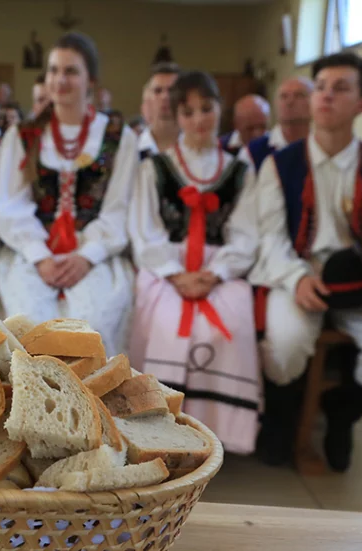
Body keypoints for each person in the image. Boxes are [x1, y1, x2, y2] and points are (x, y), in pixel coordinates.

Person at [251, 53, 362, 472]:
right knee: (285, 342)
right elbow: (270, 236)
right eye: (323, 87)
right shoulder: (281, 164)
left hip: (359, 286)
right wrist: (296, 278)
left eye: (342, 87)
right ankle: (283, 420)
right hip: (297, 276)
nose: (327, 95)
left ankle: (341, 413)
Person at [128, 71, 260, 454]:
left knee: (230, 323)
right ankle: (158, 426)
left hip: (219, 270)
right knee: (166, 323)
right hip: (167, 269)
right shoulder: (155, 168)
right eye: (188, 112)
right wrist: (175, 274)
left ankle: (218, 432)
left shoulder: (239, 171)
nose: (199, 120)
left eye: (207, 109)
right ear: (177, 117)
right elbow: (146, 230)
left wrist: (216, 273)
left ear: (222, 109)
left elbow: (246, 232)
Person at [0, 32, 137, 356]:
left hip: (94, 253)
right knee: (29, 323)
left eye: (71, 71)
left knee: (93, 321)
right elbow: (11, 205)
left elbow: (119, 207)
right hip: (33, 251)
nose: (60, 80)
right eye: (54, 70)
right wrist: (39, 255)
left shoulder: (118, 137)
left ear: (92, 81)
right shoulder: (24, 135)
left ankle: (94, 403)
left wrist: (87, 256)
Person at [241, 76, 312, 172]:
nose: (289, 101)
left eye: (299, 95)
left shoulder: (324, 145)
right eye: (283, 96)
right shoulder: (252, 152)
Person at [139, 62, 180, 157]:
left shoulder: (197, 148)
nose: (165, 96)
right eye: (158, 91)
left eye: (172, 90)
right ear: (147, 99)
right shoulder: (132, 150)